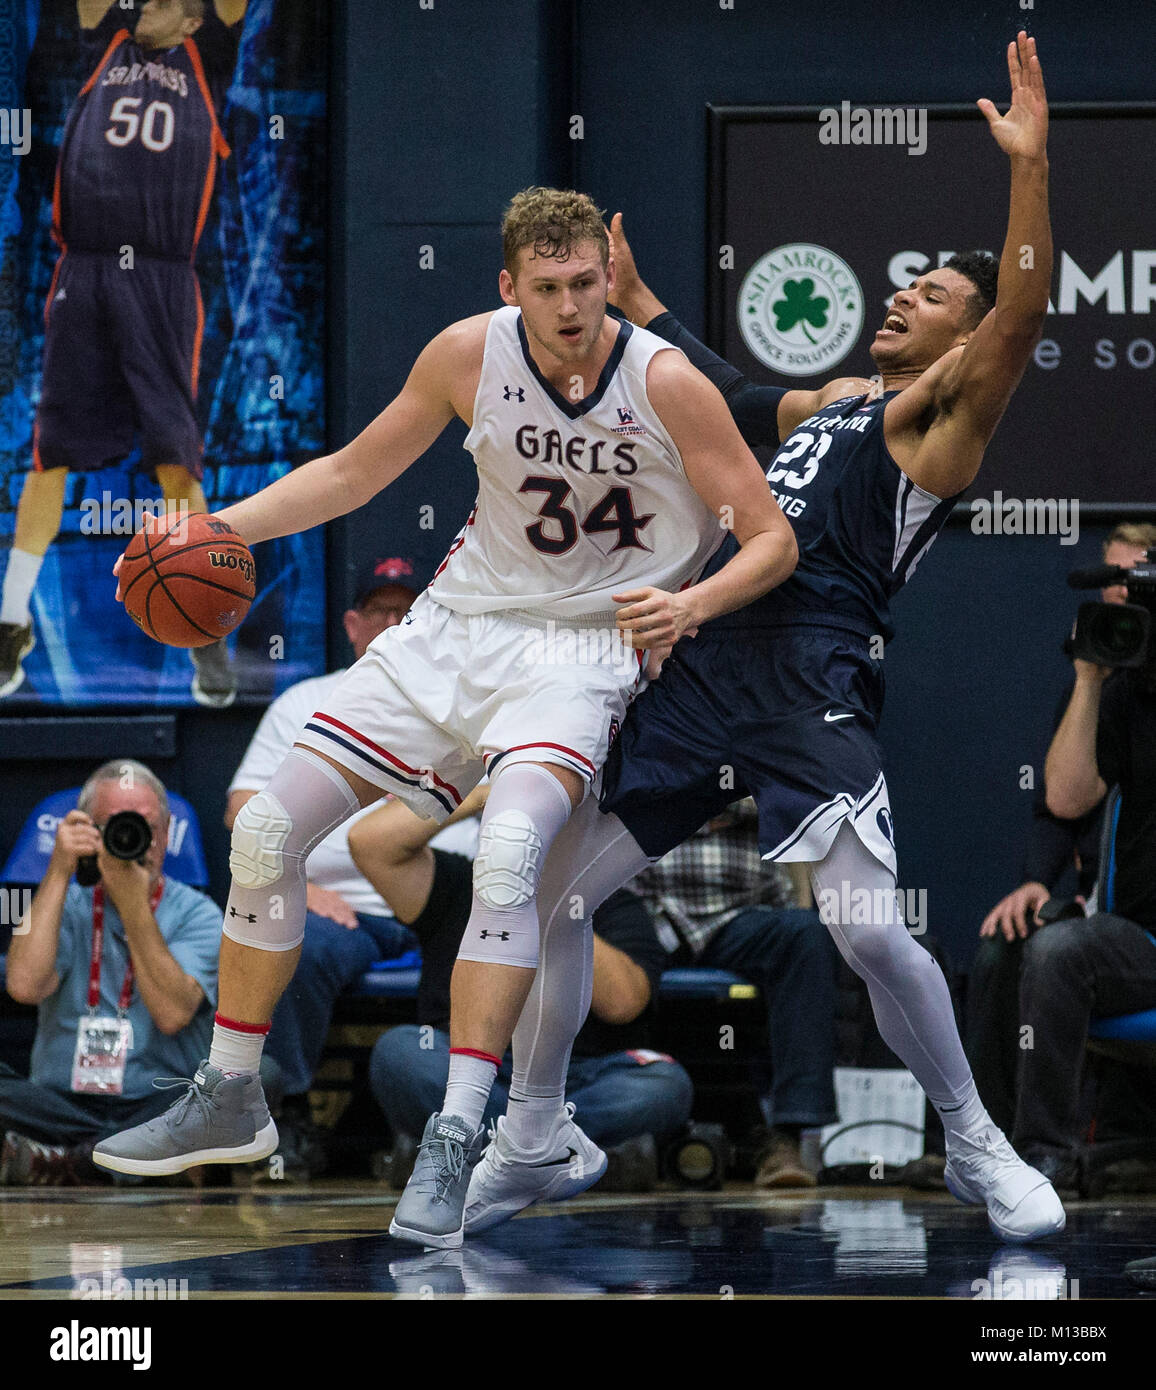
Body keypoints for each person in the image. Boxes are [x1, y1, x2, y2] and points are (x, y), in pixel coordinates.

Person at [92, 185, 797, 1253]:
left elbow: (770, 538)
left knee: (509, 852)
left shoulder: (670, 385)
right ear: (508, 287)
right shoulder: (468, 354)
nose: (570, 307)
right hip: (454, 626)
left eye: (586, 283)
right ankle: (233, 1093)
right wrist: (207, 527)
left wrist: (690, 603)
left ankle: (461, 1131)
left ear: (610, 277)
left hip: (582, 648)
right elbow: (349, 471)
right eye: (547, 287)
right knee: (268, 831)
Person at [463, 34, 1065, 1245]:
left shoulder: (937, 424)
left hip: (808, 674)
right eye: (906, 288)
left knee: (860, 930)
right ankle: (532, 1130)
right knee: (551, 898)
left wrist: (1030, 169)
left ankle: (975, 1138)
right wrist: (638, 305)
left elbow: (1022, 308)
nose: (903, 297)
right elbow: (726, 389)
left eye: (932, 296)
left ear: (962, 339)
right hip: (695, 666)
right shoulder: (830, 405)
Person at [0, 0, 248, 708]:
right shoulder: (105, 35)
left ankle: (207, 632)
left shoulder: (210, 54)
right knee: (51, 455)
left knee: (177, 460)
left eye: (173, 3)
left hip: (165, 279)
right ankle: (10, 619)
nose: (153, 5)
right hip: (83, 269)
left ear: (196, 22)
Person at [225, 555, 476, 1175]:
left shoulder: (468, 702)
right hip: (347, 908)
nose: (393, 623)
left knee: (503, 940)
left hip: (452, 896)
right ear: (352, 625)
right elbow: (241, 811)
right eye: (379, 611)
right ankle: (285, 1120)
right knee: (298, 948)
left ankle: (453, 1129)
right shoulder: (308, 701)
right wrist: (301, 888)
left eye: (407, 611)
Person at [349, 790, 691, 1207]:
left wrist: (554, 902)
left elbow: (623, 1003)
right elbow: (369, 843)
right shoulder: (463, 883)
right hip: (466, 1070)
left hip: (574, 1080)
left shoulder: (614, 903)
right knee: (400, 1051)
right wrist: (480, 793)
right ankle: (546, 1153)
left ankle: (471, 1150)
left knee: (664, 1084)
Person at [967, 523, 1156, 1135]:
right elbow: (1065, 803)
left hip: (1130, 927)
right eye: (1114, 583)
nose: (1123, 599)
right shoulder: (1116, 690)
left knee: (1060, 949)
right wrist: (1089, 681)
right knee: (1013, 943)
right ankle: (994, 1146)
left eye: (1140, 583)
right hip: (1127, 930)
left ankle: (1037, 1153)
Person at [1, 760, 220, 1183]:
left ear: (167, 830)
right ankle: (129, 1160)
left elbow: (172, 1014)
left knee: (252, 1081)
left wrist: (134, 903)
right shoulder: (63, 901)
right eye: (116, 825)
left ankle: (71, 1160)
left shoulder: (200, 913)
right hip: (62, 1101)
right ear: (90, 831)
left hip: (158, 1101)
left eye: (148, 826)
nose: (135, 838)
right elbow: (23, 986)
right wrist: (58, 871)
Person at [629, 798, 837, 1187]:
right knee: (585, 935)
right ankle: (598, 1136)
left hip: (740, 912)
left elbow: (789, 803)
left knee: (806, 936)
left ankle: (787, 1137)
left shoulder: (766, 740)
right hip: (648, 912)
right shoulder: (644, 738)